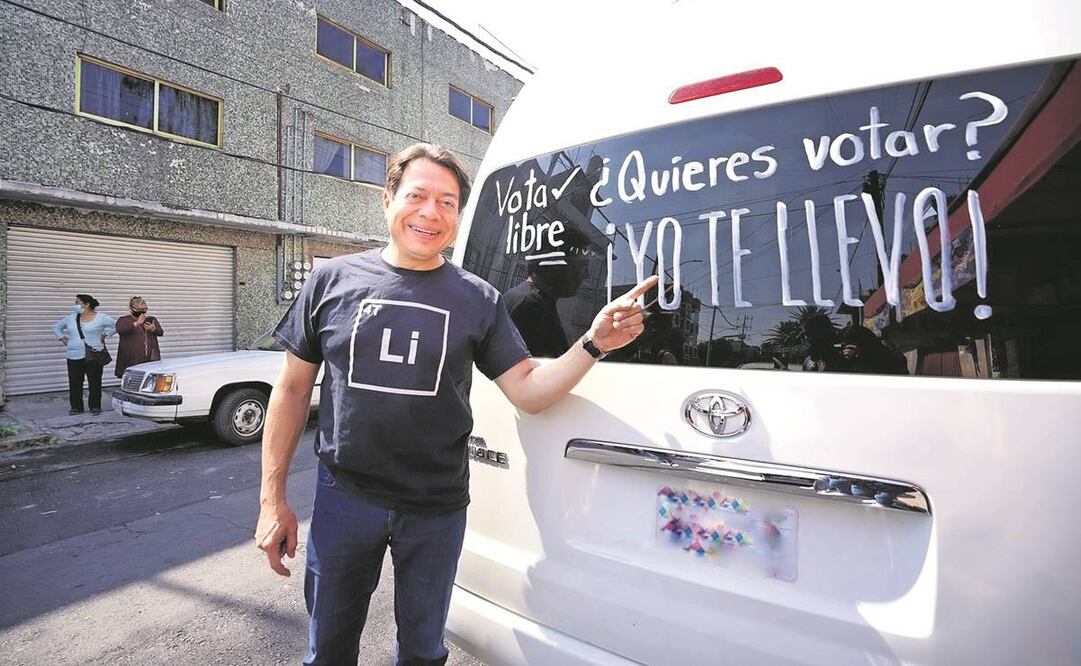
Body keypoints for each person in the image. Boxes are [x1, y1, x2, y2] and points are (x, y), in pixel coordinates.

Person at [255, 142, 657, 666]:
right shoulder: (332, 280)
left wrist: (594, 343)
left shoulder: (478, 299)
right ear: (388, 199)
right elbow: (289, 390)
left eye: (447, 202)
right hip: (345, 498)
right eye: (418, 195)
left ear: (458, 217)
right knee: (329, 649)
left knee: (422, 652)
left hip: (436, 507)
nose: (431, 212)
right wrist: (271, 500)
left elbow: (528, 391)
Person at [504, 253, 590, 357]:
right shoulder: (532, 305)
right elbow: (546, 368)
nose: (586, 275)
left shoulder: (526, 297)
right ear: (556, 267)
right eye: (582, 266)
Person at [52, 294, 117, 415]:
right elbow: (56, 327)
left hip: (94, 354)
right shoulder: (71, 318)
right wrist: (62, 338)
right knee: (75, 382)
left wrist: (106, 335)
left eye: (77, 302)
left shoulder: (101, 317)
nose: (75, 305)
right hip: (73, 355)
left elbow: (117, 325)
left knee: (95, 382)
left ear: (86, 304)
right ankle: (76, 407)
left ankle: (95, 406)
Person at [115, 296, 164, 378]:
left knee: (149, 378)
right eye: (138, 310)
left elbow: (160, 332)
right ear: (131, 309)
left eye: (144, 310)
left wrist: (153, 329)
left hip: (149, 356)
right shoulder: (124, 320)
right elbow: (120, 330)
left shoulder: (151, 319)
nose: (142, 313)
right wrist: (136, 323)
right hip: (131, 356)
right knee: (132, 378)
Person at [836, 325, 909, 375]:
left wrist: (859, 355)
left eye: (850, 345)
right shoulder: (849, 360)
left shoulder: (890, 355)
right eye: (845, 346)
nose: (846, 350)